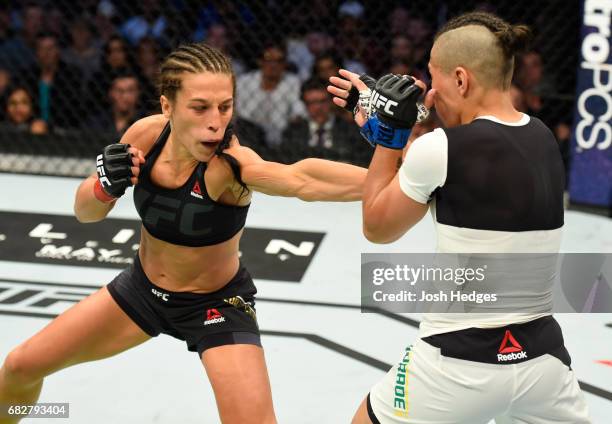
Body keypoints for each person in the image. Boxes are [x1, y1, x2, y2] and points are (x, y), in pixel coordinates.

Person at [0, 42, 366, 424]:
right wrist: (103, 186)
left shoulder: (230, 163)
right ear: (167, 107)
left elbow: (302, 179)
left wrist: (401, 176)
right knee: (19, 367)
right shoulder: (145, 136)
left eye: (225, 107)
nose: (216, 122)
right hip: (141, 292)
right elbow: (85, 214)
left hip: (216, 306)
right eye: (200, 107)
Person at [328, 11, 591, 424]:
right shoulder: (542, 138)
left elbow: (377, 226)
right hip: (543, 364)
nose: (430, 93)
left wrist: (390, 136)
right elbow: (463, 174)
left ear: (461, 80)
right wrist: (397, 130)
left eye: (435, 80)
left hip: (456, 363)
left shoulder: (439, 149)